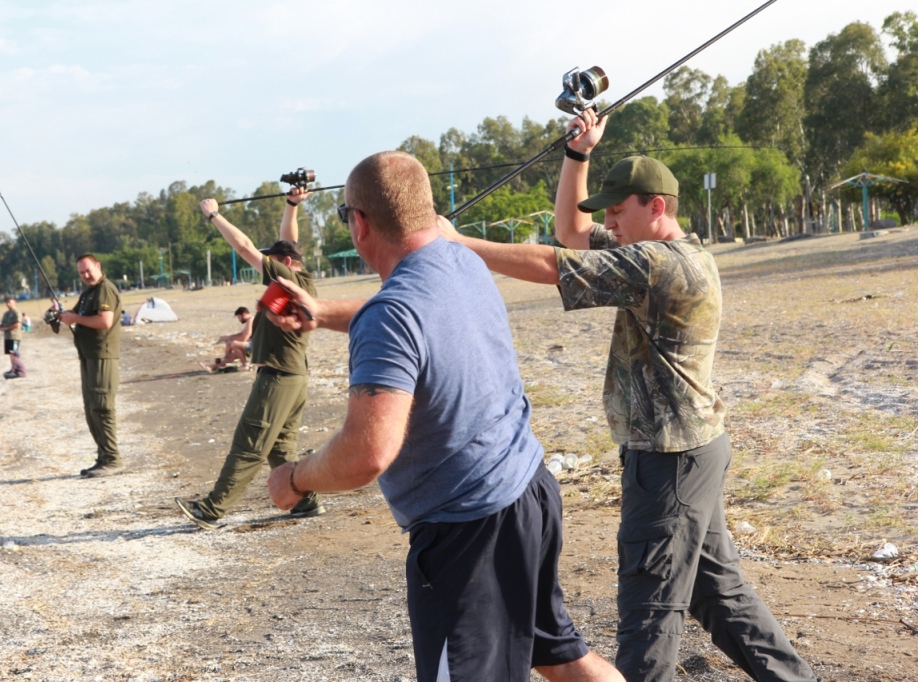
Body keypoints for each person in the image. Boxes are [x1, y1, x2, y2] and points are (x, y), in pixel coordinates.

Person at [442, 110, 818, 682]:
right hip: (691, 452)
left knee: (647, 622)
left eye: (619, 211)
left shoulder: (660, 265)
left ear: (656, 207)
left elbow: (555, 263)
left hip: (668, 462)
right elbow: (570, 233)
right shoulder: (656, 255)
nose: (610, 221)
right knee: (720, 599)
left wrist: (459, 243)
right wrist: (578, 155)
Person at [263, 151, 624, 682]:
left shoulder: (392, 315)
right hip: (529, 493)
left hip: (467, 533)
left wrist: (294, 478)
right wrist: (322, 312)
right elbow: (413, 310)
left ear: (359, 224)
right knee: (562, 657)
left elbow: (367, 453)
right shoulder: (462, 263)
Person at [175, 185, 323, 528]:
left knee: (250, 443)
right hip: (293, 376)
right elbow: (289, 242)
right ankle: (306, 503)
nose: (267, 264)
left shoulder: (288, 277)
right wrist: (291, 206)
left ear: (285, 264)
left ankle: (212, 509)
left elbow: (243, 246)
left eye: (273, 259)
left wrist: (215, 215)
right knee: (281, 450)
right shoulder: (300, 278)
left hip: (279, 377)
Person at [58, 254, 123, 478]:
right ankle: (103, 458)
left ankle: (112, 460)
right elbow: (76, 315)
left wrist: (74, 320)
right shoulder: (89, 293)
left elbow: (104, 321)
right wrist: (63, 314)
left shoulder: (105, 289)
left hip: (102, 357)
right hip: (88, 357)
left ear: (98, 266)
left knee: (102, 407)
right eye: (81, 273)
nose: (86, 276)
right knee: (91, 409)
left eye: (88, 270)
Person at [199, 306, 253, 373]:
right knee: (232, 348)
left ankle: (244, 365)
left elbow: (245, 337)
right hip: (251, 344)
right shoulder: (250, 320)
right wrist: (228, 338)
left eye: (239, 317)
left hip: (256, 346)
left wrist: (227, 338)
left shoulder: (251, 320)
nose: (239, 320)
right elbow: (241, 334)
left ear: (244, 314)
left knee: (234, 344)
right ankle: (213, 367)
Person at [0, 297, 21, 370]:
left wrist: (6, 329)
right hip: (7, 337)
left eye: (9, 302)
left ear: (14, 303)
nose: (7, 304)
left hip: (14, 336)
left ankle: (17, 369)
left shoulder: (16, 312)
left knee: (14, 354)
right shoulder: (6, 313)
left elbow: (17, 324)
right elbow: (3, 324)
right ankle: (13, 368)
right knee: (10, 354)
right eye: (6, 302)